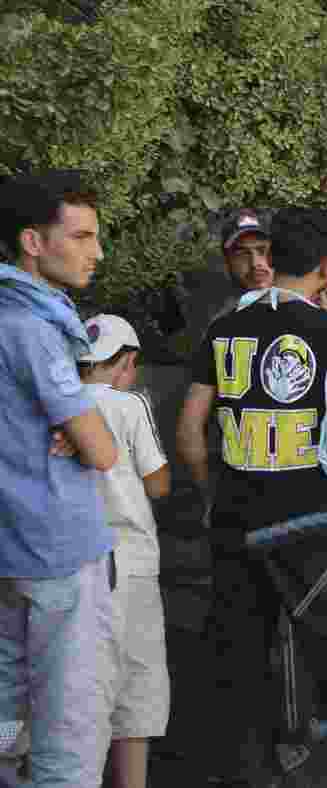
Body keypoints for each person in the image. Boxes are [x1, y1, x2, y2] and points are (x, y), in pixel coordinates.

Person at [177, 206, 327, 786]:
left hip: (234, 517)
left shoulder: (224, 329)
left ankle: (244, 775)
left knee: (238, 662)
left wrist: (212, 494)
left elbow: (192, 431)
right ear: (326, 266)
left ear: (273, 257)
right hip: (305, 523)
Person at [0, 170, 118, 788]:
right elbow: (101, 450)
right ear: (33, 242)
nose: (96, 252)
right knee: (68, 726)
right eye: (82, 235)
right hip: (55, 553)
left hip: (9, 553)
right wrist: (81, 427)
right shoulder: (35, 327)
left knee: (5, 714)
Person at [77, 315, 171, 788]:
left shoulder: (59, 401)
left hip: (68, 562)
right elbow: (157, 484)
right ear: (127, 363)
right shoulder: (130, 403)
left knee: (77, 683)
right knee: (136, 685)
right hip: (128, 562)